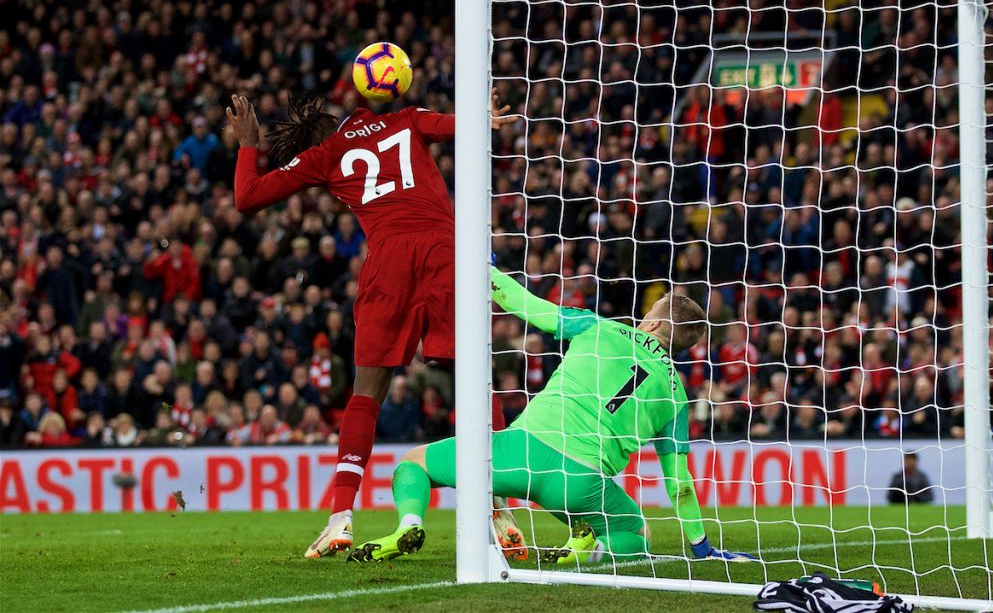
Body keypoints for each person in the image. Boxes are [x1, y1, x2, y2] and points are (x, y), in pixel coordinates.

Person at [226, 91, 515, 557]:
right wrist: (485, 115)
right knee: (476, 381)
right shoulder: (405, 118)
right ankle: (498, 506)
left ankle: (341, 517)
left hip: (388, 263)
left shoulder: (324, 156)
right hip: (447, 253)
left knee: (366, 395)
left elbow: (247, 199)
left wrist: (248, 143)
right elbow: (458, 124)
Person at [350, 265, 757, 564]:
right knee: (635, 531)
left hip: (522, 453)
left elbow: (525, 305)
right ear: (682, 346)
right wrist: (701, 548)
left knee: (413, 464)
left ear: (651, 317)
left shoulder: (600, 328)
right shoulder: (676, 398)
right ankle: (590, 548)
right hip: (580, 485)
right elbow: (680, 485)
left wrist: (480, 266)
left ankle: (407, 524)